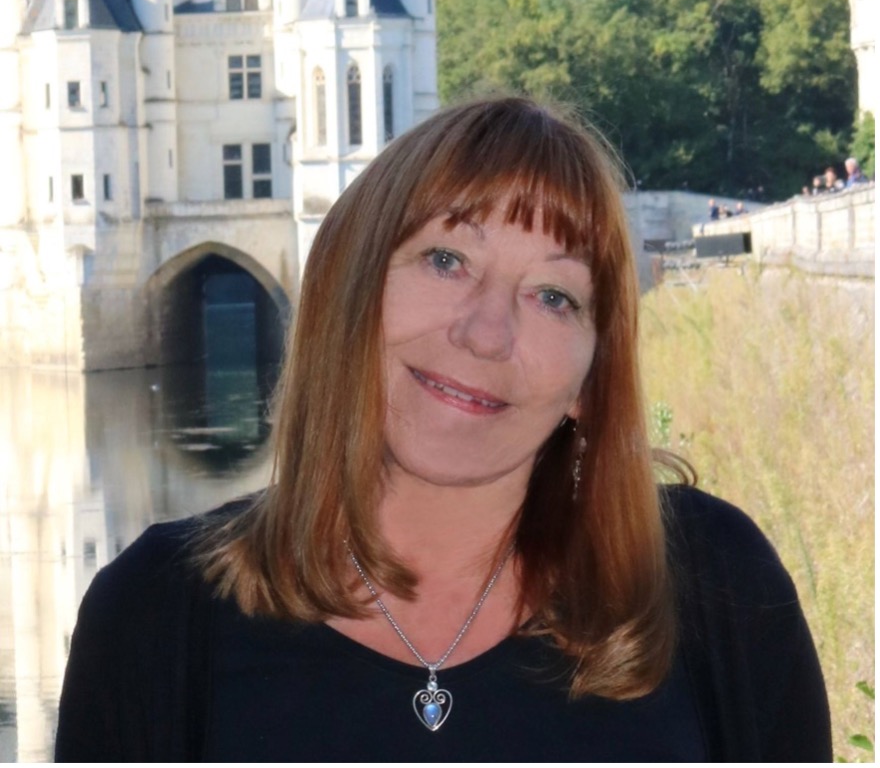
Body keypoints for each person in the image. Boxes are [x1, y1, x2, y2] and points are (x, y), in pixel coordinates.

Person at [55, 97, 831, 761]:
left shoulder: (717, 587)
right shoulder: (155, 618)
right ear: (350, 288)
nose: (487, 333)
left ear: (592, 380)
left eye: (554, 296)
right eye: (447, 259)